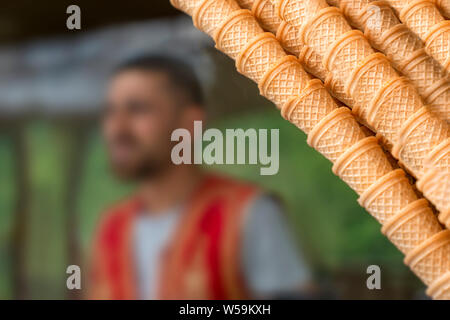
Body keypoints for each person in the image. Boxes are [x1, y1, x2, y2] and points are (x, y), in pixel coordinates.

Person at [89, 54, 312, 299]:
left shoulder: (249, 213)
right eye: (110, 111)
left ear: (189, 122)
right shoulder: (111, 227)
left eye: (138, 109)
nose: (117, 127)